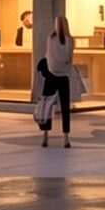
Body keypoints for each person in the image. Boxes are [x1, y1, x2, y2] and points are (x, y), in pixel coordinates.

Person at [35, 14, 77, 147]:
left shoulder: (50, 39)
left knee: (47, 106)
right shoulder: (70, 40)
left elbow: (48, 55)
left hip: (51, 75)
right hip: (64, 76)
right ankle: (66, 138)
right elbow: (69, 59)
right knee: (65, 107)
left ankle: (45, 136)